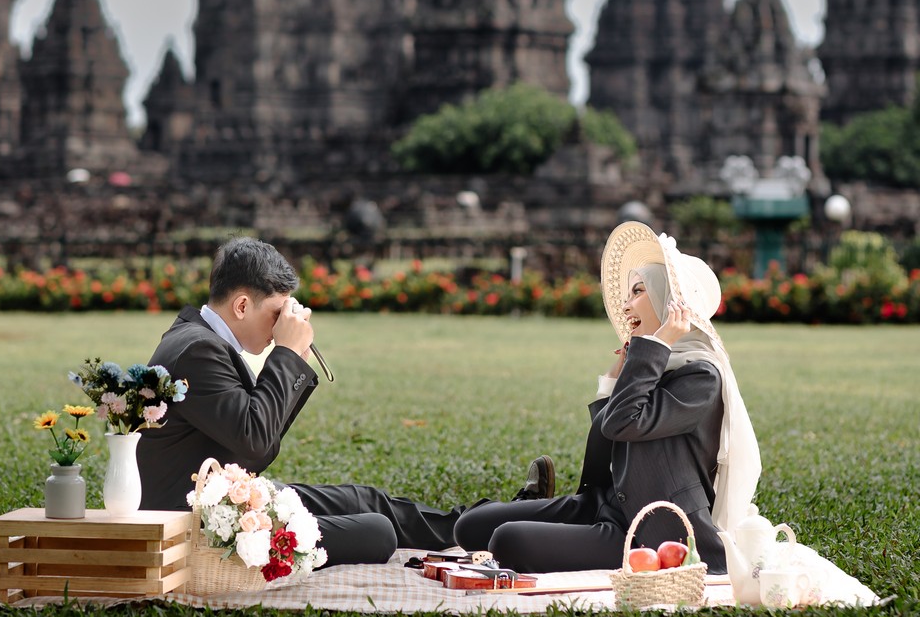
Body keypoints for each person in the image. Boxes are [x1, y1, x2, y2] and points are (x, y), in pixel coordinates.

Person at [137, 236, 554, 566]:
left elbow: (255, 438)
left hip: (230, 498)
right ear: (242, 305)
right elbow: (256, 441)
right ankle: (509, 523)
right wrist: (286, 354)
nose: (282, 324)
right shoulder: (197, 350)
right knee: (376, 531)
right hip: (201, 522)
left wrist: (292, 359)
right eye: (277, 312)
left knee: (367, 500)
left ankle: (504, 519)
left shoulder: (199, 338)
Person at [453, 222, 761, 572]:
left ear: (669, 302)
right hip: (602, 504)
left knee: (508, 541)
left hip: (646, 530)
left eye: (638, 292)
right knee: (470, 526)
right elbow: (608, 435)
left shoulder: (701, 378)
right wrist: (619, 376)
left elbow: (622, 423)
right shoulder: (653, 366)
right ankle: (530, 506)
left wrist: (654, 347)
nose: (627, 306)